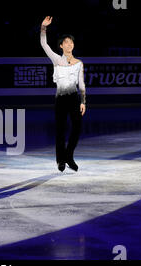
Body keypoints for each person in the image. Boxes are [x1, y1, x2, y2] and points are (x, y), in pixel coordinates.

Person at [40, 16, 86, 172]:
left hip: (74, 98)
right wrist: (43, 28)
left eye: (71, 42)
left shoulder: (79, 63)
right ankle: (60, 161)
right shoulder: (57, 60)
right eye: (66, 42)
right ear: (61, 46)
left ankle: (69, 156)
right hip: (60, 98)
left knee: (77, 128)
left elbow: (81, 84)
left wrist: (83, 102)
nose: (69, 44)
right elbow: (43, 44)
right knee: (60, 130)